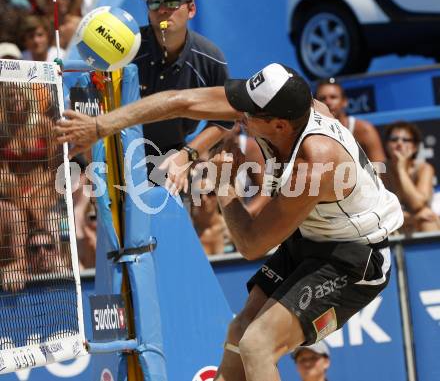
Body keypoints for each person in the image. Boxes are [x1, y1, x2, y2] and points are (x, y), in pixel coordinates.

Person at [55, 62, 403, 381]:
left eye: (249, 112)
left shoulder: (317, 163)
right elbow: (181, 101)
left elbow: (251, 245)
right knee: (239, 333)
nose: (240, 115)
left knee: (257, 345)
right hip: (313, 236)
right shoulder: (283, 112)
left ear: (278, 124)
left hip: (355, 257)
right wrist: (100, 125)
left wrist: (224, 186)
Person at [134, 0, 231, 193]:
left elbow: (226, 119)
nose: (162, 8)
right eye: (154, 2)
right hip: (120, 156)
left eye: (172, 1)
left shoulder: (210, 58)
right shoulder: (127, 49)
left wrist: (187, 154)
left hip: (171, 158)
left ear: (191, 9)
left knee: (169, 223)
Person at [382, 121, 440, 233]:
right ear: (386, 145)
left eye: (405, 140)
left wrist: (401, 169)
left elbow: (418, 204)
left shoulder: (424, 169)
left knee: (428, 220)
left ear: (414, 147)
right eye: (394, 140)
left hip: (418, 221)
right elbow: (381, 212)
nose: (399, 143)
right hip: (393, 223)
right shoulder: (380, 172)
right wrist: (412, 219)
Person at [315, 78, 385, 164]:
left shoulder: (364, 130)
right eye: (322, 99)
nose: (328, 102)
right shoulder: (313, 132)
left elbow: (380, 168)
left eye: (333, 97)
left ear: (344, 101)